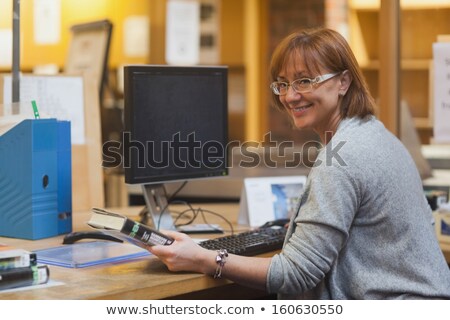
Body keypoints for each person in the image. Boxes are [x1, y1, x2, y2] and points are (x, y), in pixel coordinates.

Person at [148, 27, 450, 299]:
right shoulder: (378, 135)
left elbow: (295, 273)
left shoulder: (342, 159)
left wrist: (203, 258)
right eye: (282, 84)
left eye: (305, 81)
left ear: (343, 82)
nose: (290, 96)